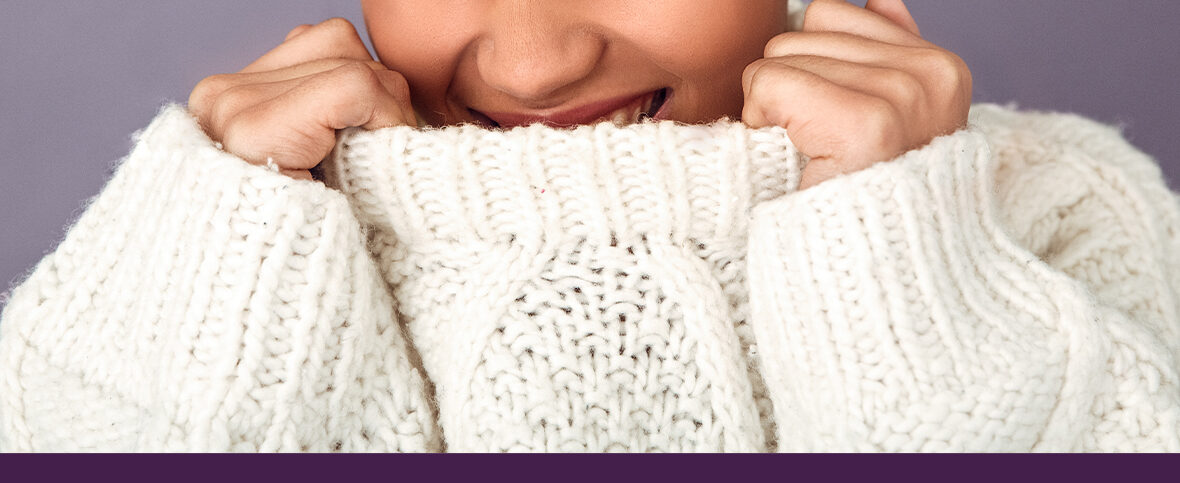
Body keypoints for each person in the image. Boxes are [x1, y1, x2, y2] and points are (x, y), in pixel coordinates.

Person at [1, 0, 1177, 452]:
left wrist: (892, 242)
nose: (536, 59)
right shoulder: (235, 223)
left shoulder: (1054, 201)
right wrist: (209, 258)